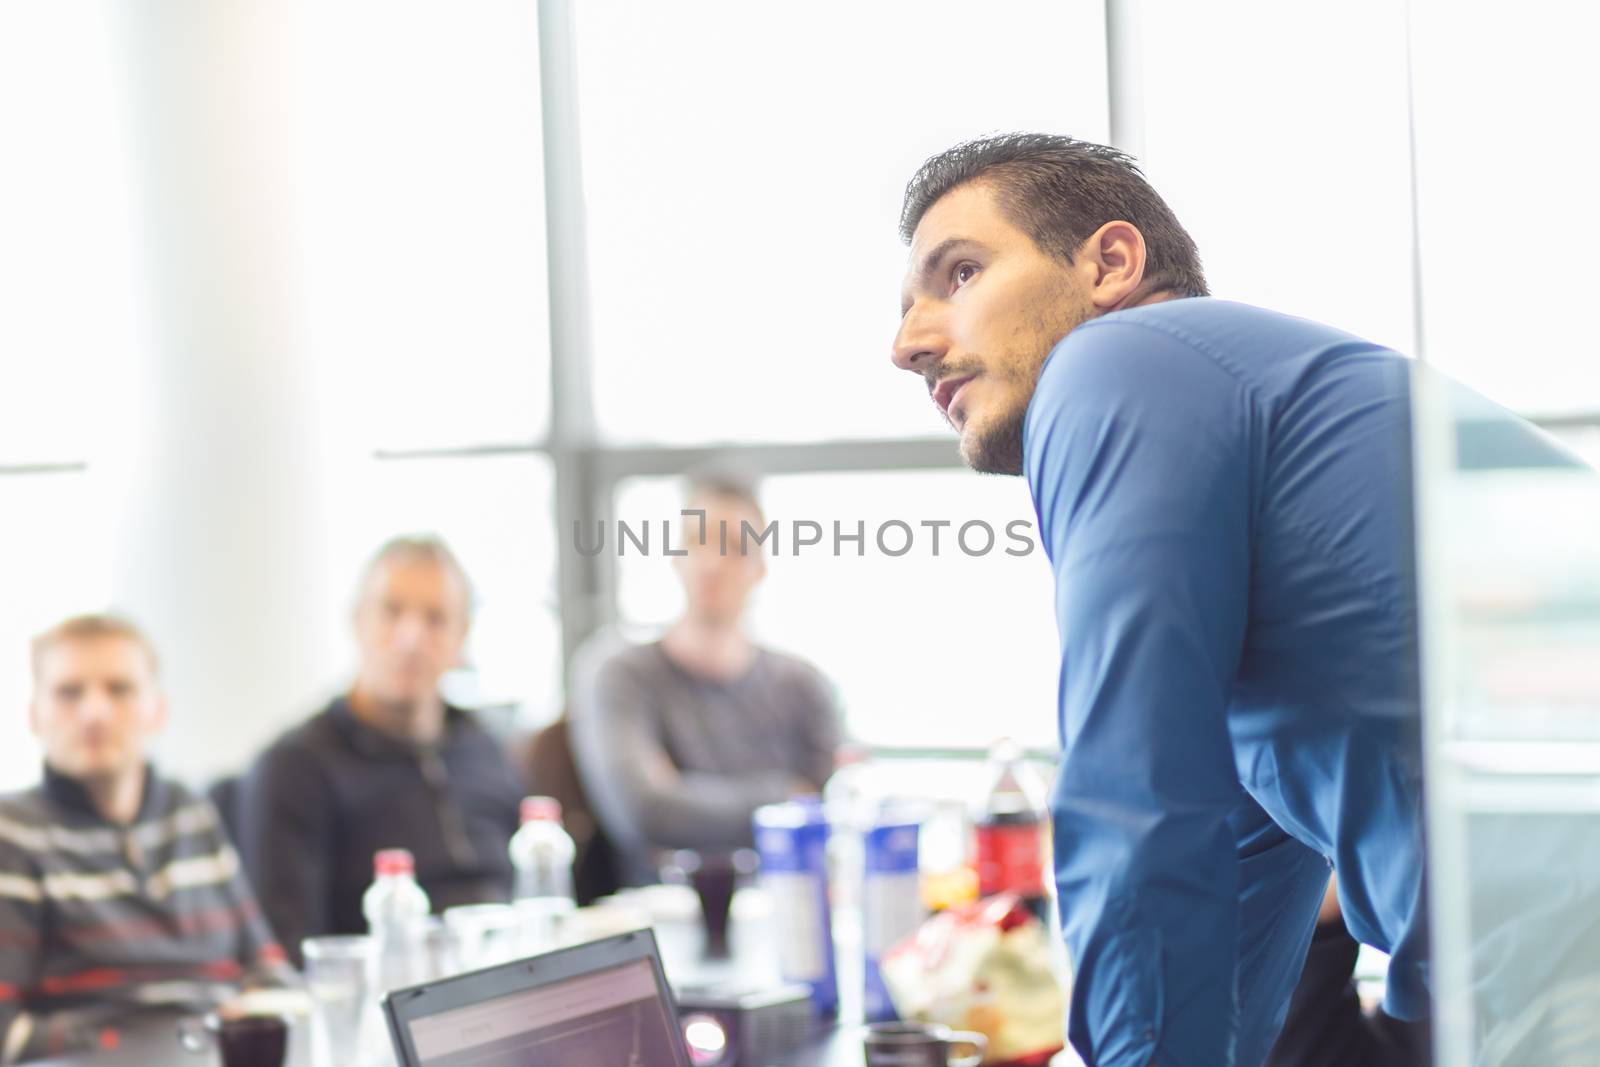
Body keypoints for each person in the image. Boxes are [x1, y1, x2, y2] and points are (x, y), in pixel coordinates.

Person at [890, 133, 1429, 1067]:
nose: (909, 344)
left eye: (962, 273)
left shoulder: (1119, 361)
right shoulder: (1253, 474)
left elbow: (1138, 786)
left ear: (1111, 262)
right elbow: (1223, 897)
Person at [0, 615, 289, 1062]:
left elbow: (268, 969)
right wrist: (123, 1043)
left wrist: (249, 1019)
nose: (95, 712)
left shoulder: (191, 812)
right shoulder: (14, 832)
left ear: (157, 709)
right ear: (34, 715)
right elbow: (6, 1029)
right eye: (69, 692)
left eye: (120, 689)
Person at [238, 535, 524, 965]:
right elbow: (291, 948)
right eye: (391, 612)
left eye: (435, 619)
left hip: (507, 974)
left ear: (461, 636)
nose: (412, 637)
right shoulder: (295, 767)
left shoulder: (484, 746)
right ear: (357, 623)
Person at [569, 464, 841, 885]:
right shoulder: (621, 675)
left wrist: (685, 792)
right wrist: (785, 795)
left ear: (762, 566)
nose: (712, 563)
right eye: (698, 541)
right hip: (663, 920)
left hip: (787, 906)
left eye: (735, 547)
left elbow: (833, 813)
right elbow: (648, 810)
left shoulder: (804, 686)